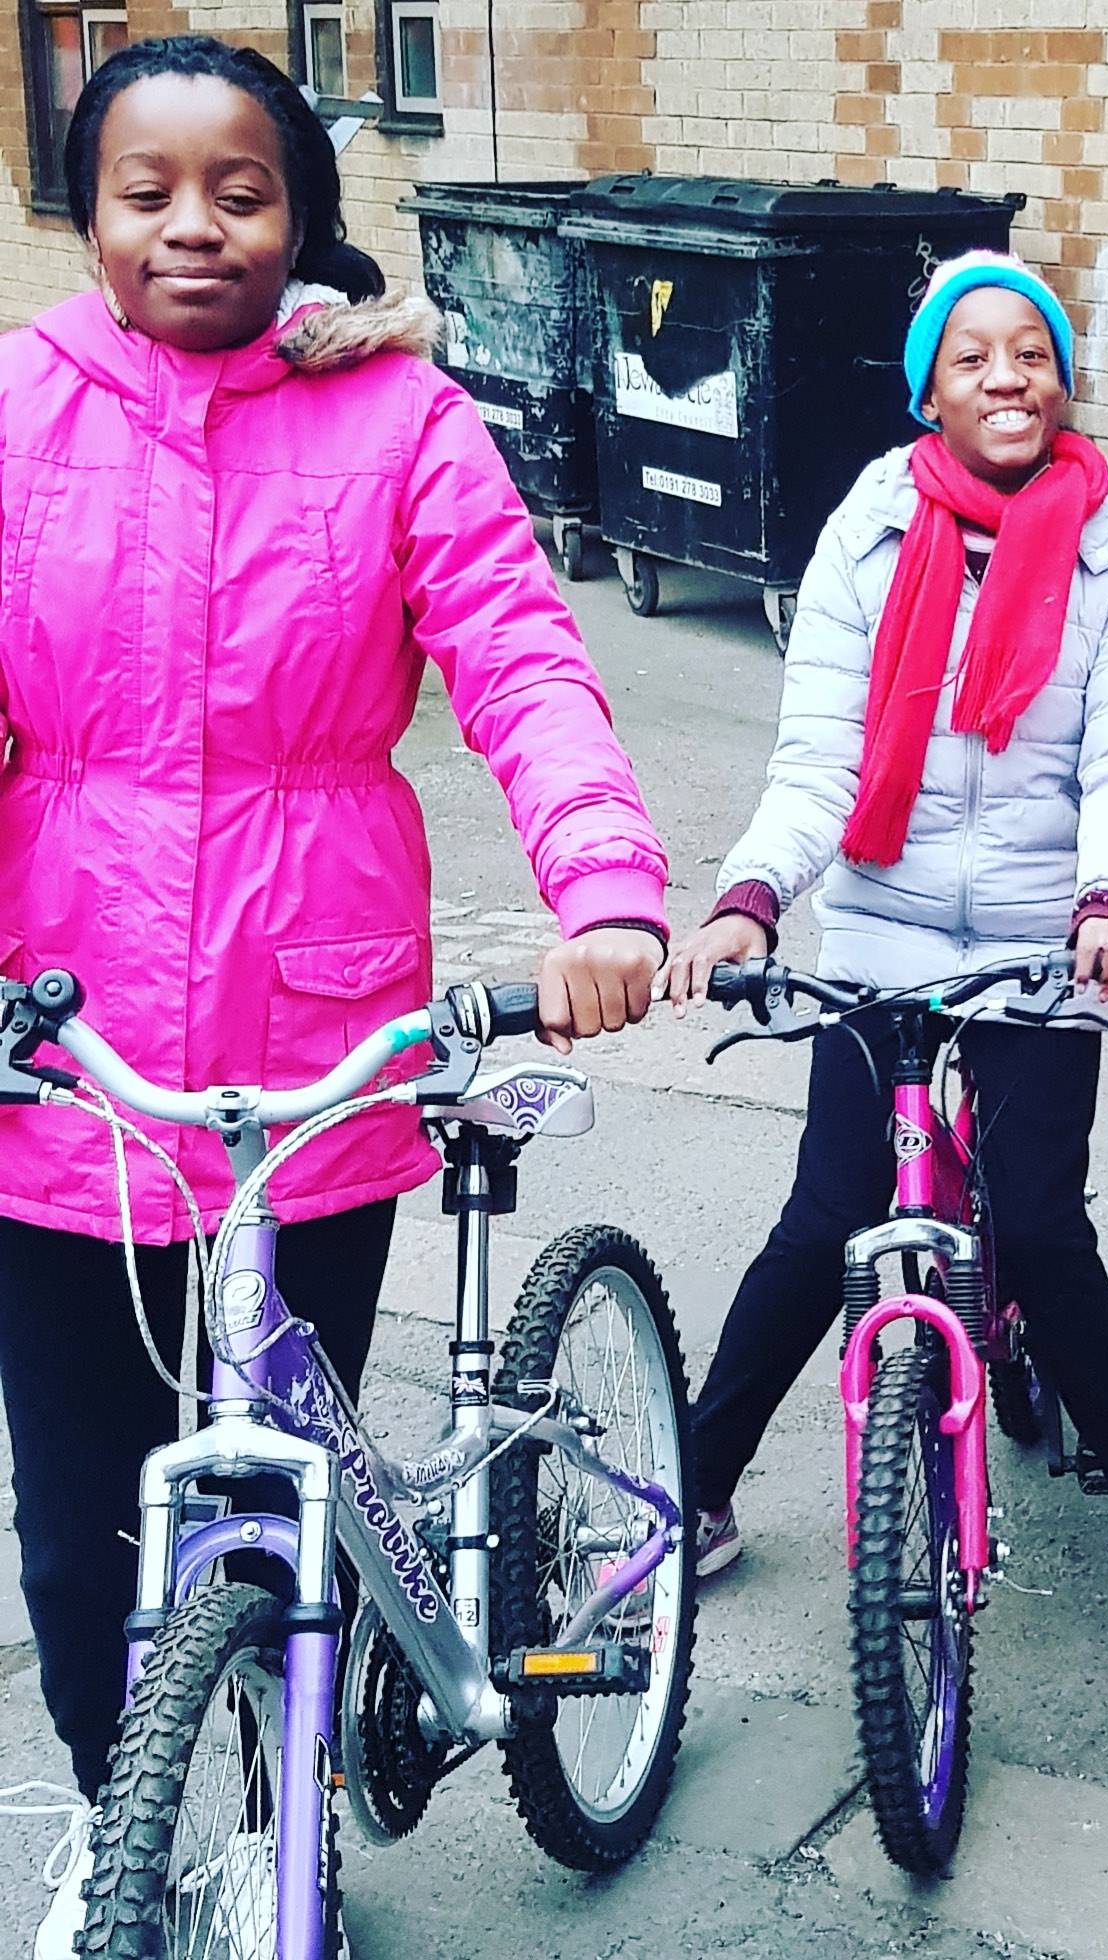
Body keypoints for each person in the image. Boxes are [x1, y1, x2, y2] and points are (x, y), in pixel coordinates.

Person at [0, 37, 668, 1949]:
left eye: (241, 188)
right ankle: (127, 1825)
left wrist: (609, 888)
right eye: (147, 189)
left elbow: (523, 658)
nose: (193, 224)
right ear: (88, 210)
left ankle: (286, 1825)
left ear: (302, 217)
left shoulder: (398, 424)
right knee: (77, 1527)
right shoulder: (18, 411)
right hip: (65, 1045)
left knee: (296, 1469)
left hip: (320, 1027)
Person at [658, 250, 1108, 1688]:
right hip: (893, 925)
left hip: (1046, 931)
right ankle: (695, 1497)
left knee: (1034, 1226)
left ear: (1062, 379)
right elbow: (820, 758)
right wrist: (750, 899)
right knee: (831, 1215)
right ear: (929, 389)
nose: (1005, 378)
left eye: (1028, 353)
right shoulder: (869, 530)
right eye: (971, 358)